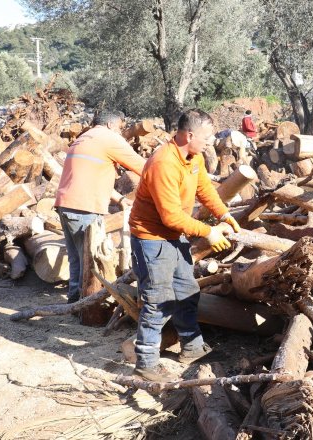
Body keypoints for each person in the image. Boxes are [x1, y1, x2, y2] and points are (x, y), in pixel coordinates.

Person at [128, 109, 241, 382]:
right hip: (151, 238)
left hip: (173, 235)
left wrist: (224, 215)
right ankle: (146, 363)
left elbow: (205, 190)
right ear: (189, 135)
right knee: (158, 299)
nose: (210, 142)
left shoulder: (194, 157)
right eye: (206, 137)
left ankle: (192, 348)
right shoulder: (163, 163)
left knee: (187, 290)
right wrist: (209, 232)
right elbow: (170, 216)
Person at [55, 110, 146, 304]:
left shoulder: (84, 138)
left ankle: (74, 301)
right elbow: (144, 167)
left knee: (77, 258)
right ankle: (86, 306)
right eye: (120, 128)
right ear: (111, 125)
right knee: (91, 259)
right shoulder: (108, 138)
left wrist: (120, 199)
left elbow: (90, 177)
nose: (121, 133)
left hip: (66, 204)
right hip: (83, 207)